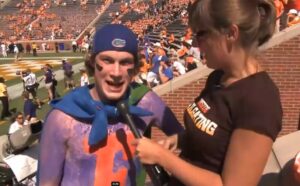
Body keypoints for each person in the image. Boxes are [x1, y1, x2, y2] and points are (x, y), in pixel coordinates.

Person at [132, 0, 283, 186]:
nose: (195, 43)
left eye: (201, 34)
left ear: (231, 33)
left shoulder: (260, 102)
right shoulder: (218, 77)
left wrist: (164, 158)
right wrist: (178, 140)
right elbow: (212, 137)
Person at [37, 24, 183, 186]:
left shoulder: (145, 101)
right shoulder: (62, 118)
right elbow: (46, 183)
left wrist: (163, 153)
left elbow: (190, 140)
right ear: (92, 63)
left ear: (135, 67)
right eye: (107, 60)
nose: (116, 72)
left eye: (125, 62)